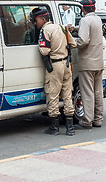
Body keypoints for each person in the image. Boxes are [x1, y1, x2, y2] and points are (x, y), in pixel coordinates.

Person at [31, 8, 77, 136]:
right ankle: (70, 128)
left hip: (55, 65)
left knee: (52, 95)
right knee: (68, 95)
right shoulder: (62, 27)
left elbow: (44, 51)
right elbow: (73, 44)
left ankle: (54, 127)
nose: (35, 23)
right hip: (66, 65)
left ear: (43, 19)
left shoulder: (45, 30)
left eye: (36, 20)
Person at [74, 0, 104, 129]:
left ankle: (87, 121)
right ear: (94, 8)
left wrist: (72, 44)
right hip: (98, 61)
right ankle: (98, 119)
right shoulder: (98, 19)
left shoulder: (85, 20)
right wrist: (75, 28)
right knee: (98, 92)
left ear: (82, 9)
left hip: (87, 62)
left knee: (87, 92)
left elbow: (83, 41)